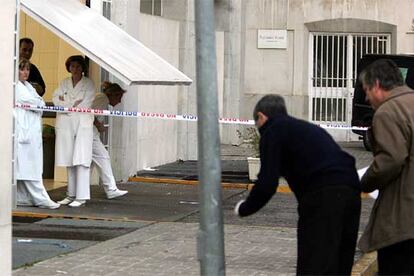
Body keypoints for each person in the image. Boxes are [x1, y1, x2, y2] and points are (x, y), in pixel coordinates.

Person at [234, 95, 361, 275]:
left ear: (261, 117)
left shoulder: (272, 131)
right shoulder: (305, 128)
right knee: (340, 263)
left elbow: (267, 183)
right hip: (352, 190)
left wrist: (244, 208)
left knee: (314, 263)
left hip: (322, 196)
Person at [358, 59, 414, 275]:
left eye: (366, 90)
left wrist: (363, 183)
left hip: (403, 222)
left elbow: (391, 159)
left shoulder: (388, 111)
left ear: (377, 85)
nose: (366, 98)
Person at [15, 59, 60, 209]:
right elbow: (34, 103)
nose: (25, 72)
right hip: (23, 132)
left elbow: (39, 103)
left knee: (26, 167)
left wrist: (38, 103)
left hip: (31, 131)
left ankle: (21, 197)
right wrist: (38, 103)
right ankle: (41, 198)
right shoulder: (14, 86)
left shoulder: (28, 86)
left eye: (27, 69)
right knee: (28, 167)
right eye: (22, 69)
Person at [53, 55, 96, 208]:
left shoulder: (89, 84)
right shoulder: (64, 82)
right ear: (69, 67)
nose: (75, 69)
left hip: (82, 124)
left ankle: (82, 196)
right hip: (67, 124)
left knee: (82, 160)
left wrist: (67, 105)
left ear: (82, 68)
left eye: (78, 66)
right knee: (69, 159)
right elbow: (56, 99)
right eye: (72, 66)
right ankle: (70, 194)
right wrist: (71, 103)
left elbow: (86, 103)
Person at [91, 82, 128, 199]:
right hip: (90, 134)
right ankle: (111, 189)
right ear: (114, 95)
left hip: (90, 133)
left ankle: (79, 191)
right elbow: (90, 114)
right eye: (119, 97)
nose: (120, 101)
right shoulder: (102, 100)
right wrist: (99, 125)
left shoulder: (100, 98)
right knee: (103, 157)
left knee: (89, 163)